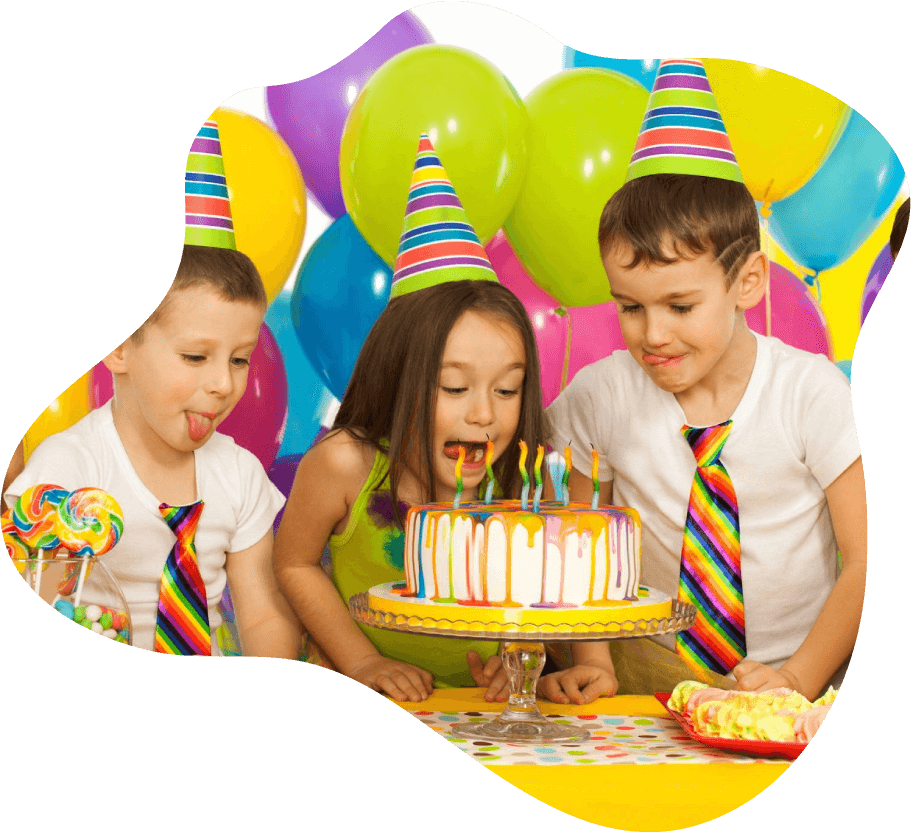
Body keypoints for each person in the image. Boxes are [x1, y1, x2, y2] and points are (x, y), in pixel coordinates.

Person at [546, 60, 865, 701]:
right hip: (645, 681)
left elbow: (863, 557)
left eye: (680, 306)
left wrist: (796, 680)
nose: (653, 334)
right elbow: (581, 539)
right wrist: (595, 664)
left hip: (793, 681)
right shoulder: (601, 396)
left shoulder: (812, 395)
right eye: (630, 307)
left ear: (747, 282)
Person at [274, 133, 618, 703]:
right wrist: (361, 661)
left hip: (480, 715)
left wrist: (520, 660)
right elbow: (295, 564)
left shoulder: (525, 483)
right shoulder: (343, 465)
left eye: (507, 389)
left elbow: (544, 591)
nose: (484, 414)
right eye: (455, 387)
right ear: (396, 377)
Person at [5, 244, 302, 657]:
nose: (223, 384)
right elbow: (46, 587)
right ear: (120, 349)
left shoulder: (240, 474)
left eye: (239, 360)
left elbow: (262, 614)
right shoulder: (69, 466)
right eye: (195, 356)